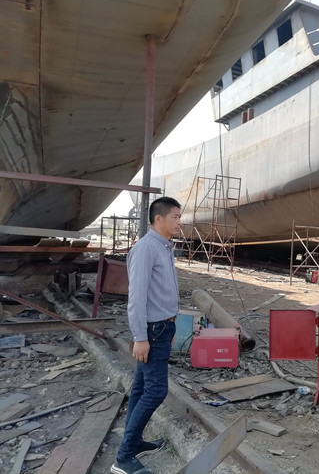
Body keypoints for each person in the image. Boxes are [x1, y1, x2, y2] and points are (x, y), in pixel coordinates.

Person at [111, 197, 182, 474]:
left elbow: (161, 292)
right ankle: (123, 458)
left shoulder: (164, 247)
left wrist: (171, 324)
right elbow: (136, 298)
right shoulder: (145, 249)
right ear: (158, 219)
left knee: (141, 388)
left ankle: (135, 442)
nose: (180, 222)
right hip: (152, 331)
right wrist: (140, 337)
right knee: (156, 391)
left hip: (163, 328)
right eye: (175, 217)